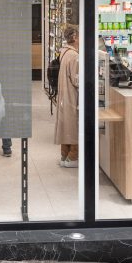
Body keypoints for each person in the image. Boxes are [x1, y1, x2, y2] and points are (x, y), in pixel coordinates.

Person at [54, 24, 80, 168]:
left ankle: (64, 155)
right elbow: (77, 80)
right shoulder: (74, 56)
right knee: (73, 126)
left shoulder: (64, 53)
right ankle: (73, 157)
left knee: (66, 126)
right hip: (72, 96)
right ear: (75, 37)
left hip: (65, 95)